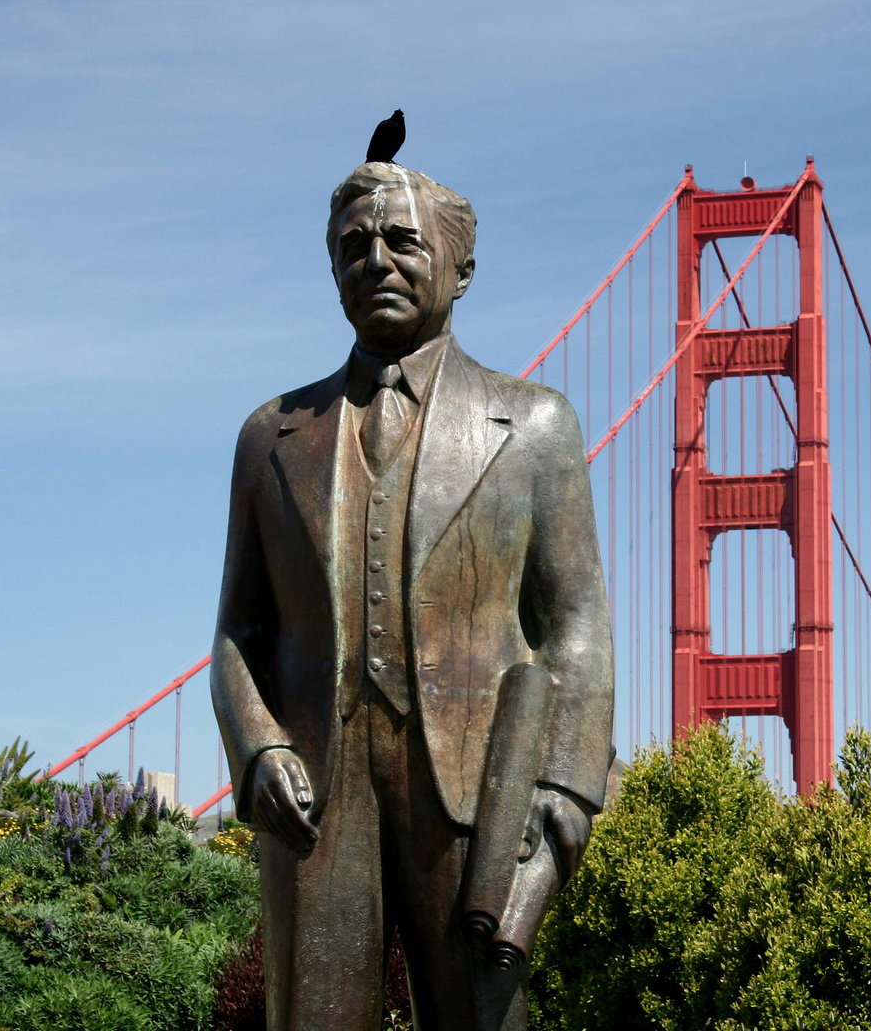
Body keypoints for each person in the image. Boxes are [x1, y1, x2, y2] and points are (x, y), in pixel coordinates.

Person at [211, 161, 614, 1030]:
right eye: (353, 246)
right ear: (331, 269)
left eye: (404, 241)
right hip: (313, 793)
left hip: (480, 795)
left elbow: (575, 626)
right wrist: (256, 750)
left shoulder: (535, 427)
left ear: (460, 270)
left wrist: (569, 789)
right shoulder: (268, 438)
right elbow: (239, 630)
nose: (377, 261)